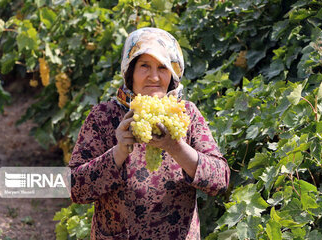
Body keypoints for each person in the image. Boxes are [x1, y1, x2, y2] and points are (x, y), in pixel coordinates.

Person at [68, 27, 230, 240]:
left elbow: (220, 181)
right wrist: (118, 153)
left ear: (172, 74)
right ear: (130, 72)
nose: (154, 77)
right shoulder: (104, 117)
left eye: (162, 67)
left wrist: (176, 147)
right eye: (144, 66)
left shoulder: (186, 114)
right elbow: (75, 188)